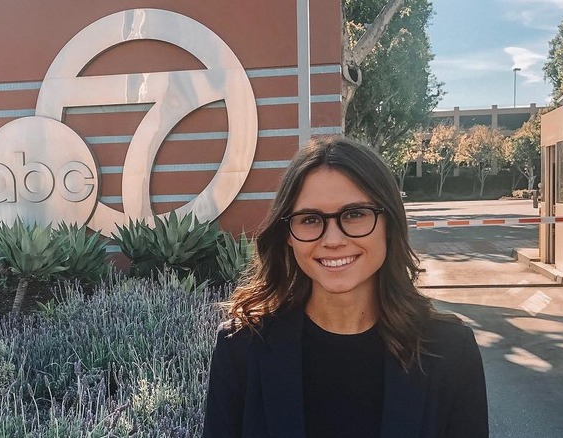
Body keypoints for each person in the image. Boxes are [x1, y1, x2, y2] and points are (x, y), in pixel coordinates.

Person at [203, 136, 488, 437]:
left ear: (388, 223)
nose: (333, 240)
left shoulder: (451, 350)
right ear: (287, 233)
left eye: (354, 214)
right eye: (310, 219)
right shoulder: (242, 348)